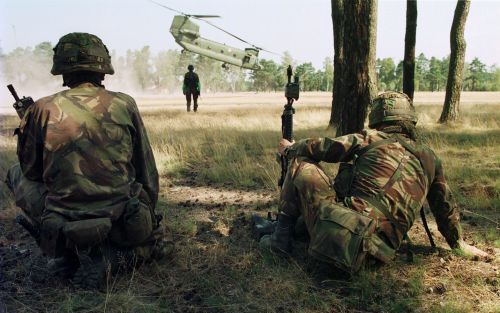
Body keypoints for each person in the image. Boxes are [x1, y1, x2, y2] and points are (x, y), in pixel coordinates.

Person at [5, 32, 173, 288]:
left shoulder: (43, 108)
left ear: (62, 68)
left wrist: (30, 126)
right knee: (150, 234)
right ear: (103, 67)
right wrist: (149, 215)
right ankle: (122, 255)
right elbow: (146, 170)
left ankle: (67, 254)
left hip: (64, 221)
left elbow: (31, 170)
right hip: (122, 219)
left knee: (15, 173)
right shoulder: (124, 103)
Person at [260, 91, 488, 273]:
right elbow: (445, 208)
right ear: (410, 121)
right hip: (376, 257)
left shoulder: (370, 138)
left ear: (377, 119)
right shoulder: (429, 158)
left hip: (339, 239)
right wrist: (458, 244)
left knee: (302, 161)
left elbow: (319, 147)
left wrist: (290, 149)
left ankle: (280, 240)